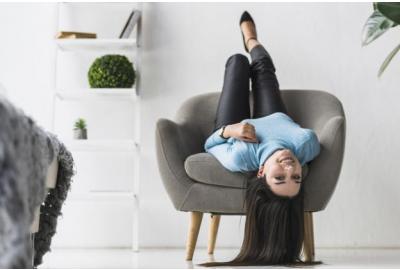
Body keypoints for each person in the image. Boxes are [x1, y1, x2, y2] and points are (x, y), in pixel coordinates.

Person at [199, 11, 322, 267]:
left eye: (279, 177)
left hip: (236, 127)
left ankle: (242, 55)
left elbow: (210, 145)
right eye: (296, 177)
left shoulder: (240, 158)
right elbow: (309, 139)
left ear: (261, 172)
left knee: (237, 64)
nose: (289, 168)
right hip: (274, 116)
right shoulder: (305, 146)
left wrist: (230, 131)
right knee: (263, 67)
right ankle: (251, 38)